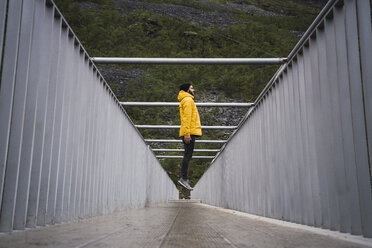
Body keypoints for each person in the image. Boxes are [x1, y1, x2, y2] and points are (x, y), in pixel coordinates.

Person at [177, 83, 202, 191]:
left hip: (189, 132)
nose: (194, 89)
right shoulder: (188, 100)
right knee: (187, 155)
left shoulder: (186, 99)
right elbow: (186, 118)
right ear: (187, 89)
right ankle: (183, 178)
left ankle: (184, 178)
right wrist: (187, 134)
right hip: (189, 133)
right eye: (192, 88)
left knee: (188, 155)